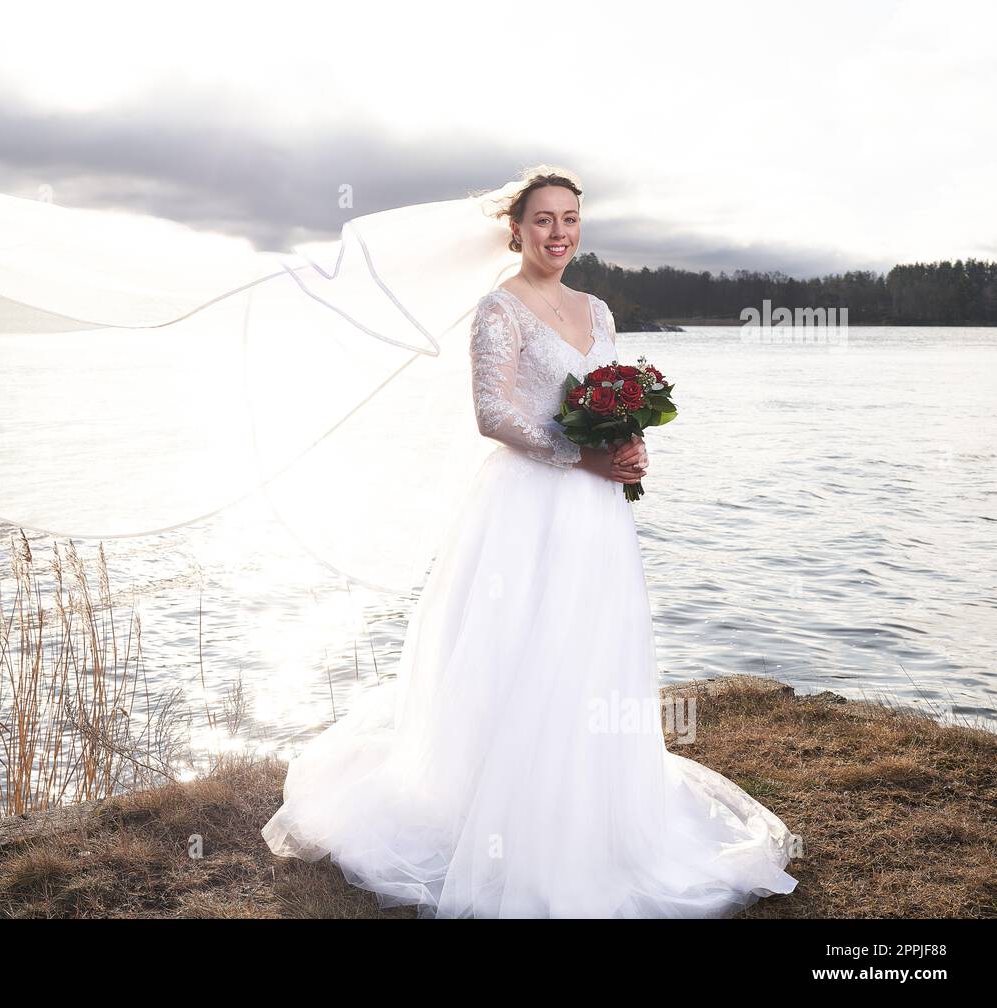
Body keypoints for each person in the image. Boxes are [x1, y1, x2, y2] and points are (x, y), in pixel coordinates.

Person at [260, 170, 800, 918]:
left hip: (596, 510)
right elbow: (492, 413)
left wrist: (631, 444)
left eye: (570, 219)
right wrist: (580, 454)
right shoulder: (499, 308)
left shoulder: (597, 308)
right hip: (527, 504)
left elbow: (613, 392)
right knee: (523, 646)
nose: (558, 234)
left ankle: (591, 806)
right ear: (515, 231)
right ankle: (503, 816)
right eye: (543, 220)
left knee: (591, 647)